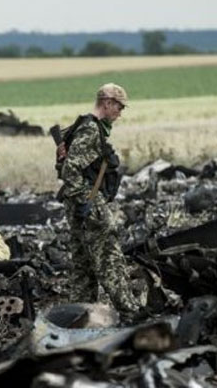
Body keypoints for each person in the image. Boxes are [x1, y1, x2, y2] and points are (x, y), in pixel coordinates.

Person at [60, 83, 143, 317]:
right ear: (107, 103)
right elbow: (70, 169)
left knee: (83, 263)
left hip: (80, 203)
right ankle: (129, 310)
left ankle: (79, 313)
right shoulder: (90, 129)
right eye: (118, 106)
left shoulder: (84, 126)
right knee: (109, 258)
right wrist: (85, 202)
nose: (120, 112)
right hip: (88, 203)